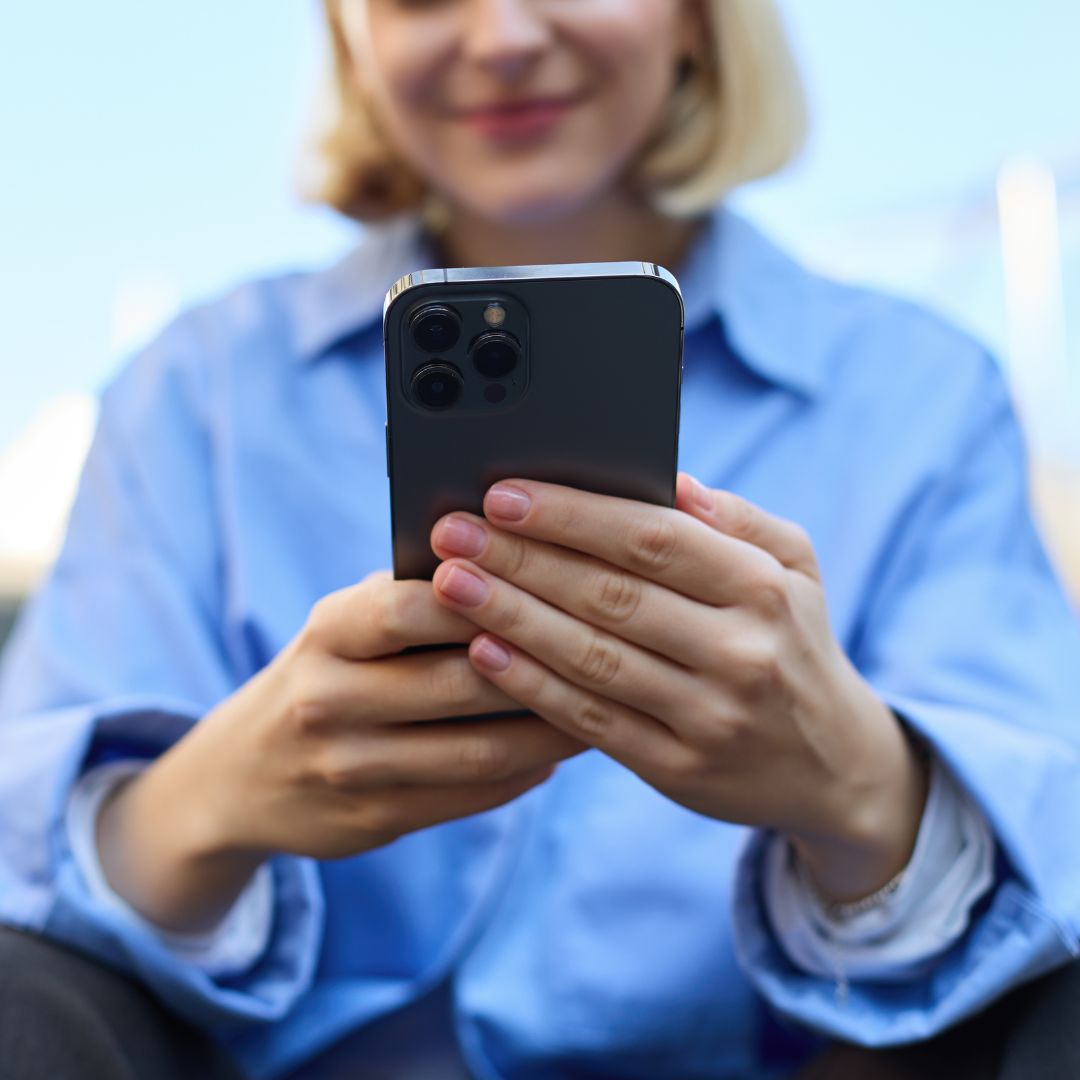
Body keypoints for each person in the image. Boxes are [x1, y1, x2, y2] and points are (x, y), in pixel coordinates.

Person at [1, 1, 1079, 1077]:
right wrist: (215, 799)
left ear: (699, 20)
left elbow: (1054, 863)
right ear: (351, 36)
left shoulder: (921, 396)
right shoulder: (193, 395)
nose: (504, 36)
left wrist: (860, 788)